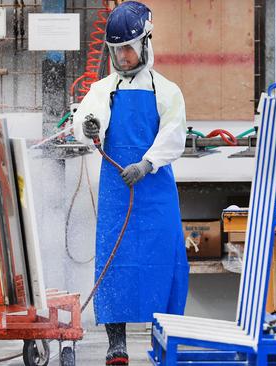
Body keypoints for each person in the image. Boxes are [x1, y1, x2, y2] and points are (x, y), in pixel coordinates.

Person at [73, 2, 189, 364]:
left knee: (164, 264)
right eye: (116, 50)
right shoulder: (102, 90)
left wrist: (147, 163)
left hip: (154, 193)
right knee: (115, 265)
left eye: (128, 48)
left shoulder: (167, 91)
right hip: (117, 194)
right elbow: (89, 118)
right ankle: (116, 344)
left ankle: (166, 336)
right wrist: (89, 127)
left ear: (145, 44)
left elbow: (174, 133)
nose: (123, 57)